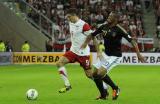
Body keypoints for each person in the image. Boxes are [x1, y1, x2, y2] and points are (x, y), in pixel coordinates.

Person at [81, 11, 145, 100]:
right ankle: (103, 95)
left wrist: (138, 54)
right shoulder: (103, 27)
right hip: (105, 54)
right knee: (94, 74)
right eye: (109, 15)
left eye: (110, 16)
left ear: (115, 19)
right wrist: (85, 44)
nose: (108, 17)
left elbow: (133, 41)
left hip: (115, 57)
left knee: (100, 73)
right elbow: (92, 35)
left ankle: (115, 88)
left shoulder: (119, 29)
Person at [56, 8, 108, 94]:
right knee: (59, 63)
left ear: (74, 15)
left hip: (83, 54)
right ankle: (67, 85)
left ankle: (104, 86)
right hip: (73, 51)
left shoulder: (84, 25)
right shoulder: (71, 23)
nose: (68, 19)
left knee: (89, 75)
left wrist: (98, 52)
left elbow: (93, 37)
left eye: (69, 17)